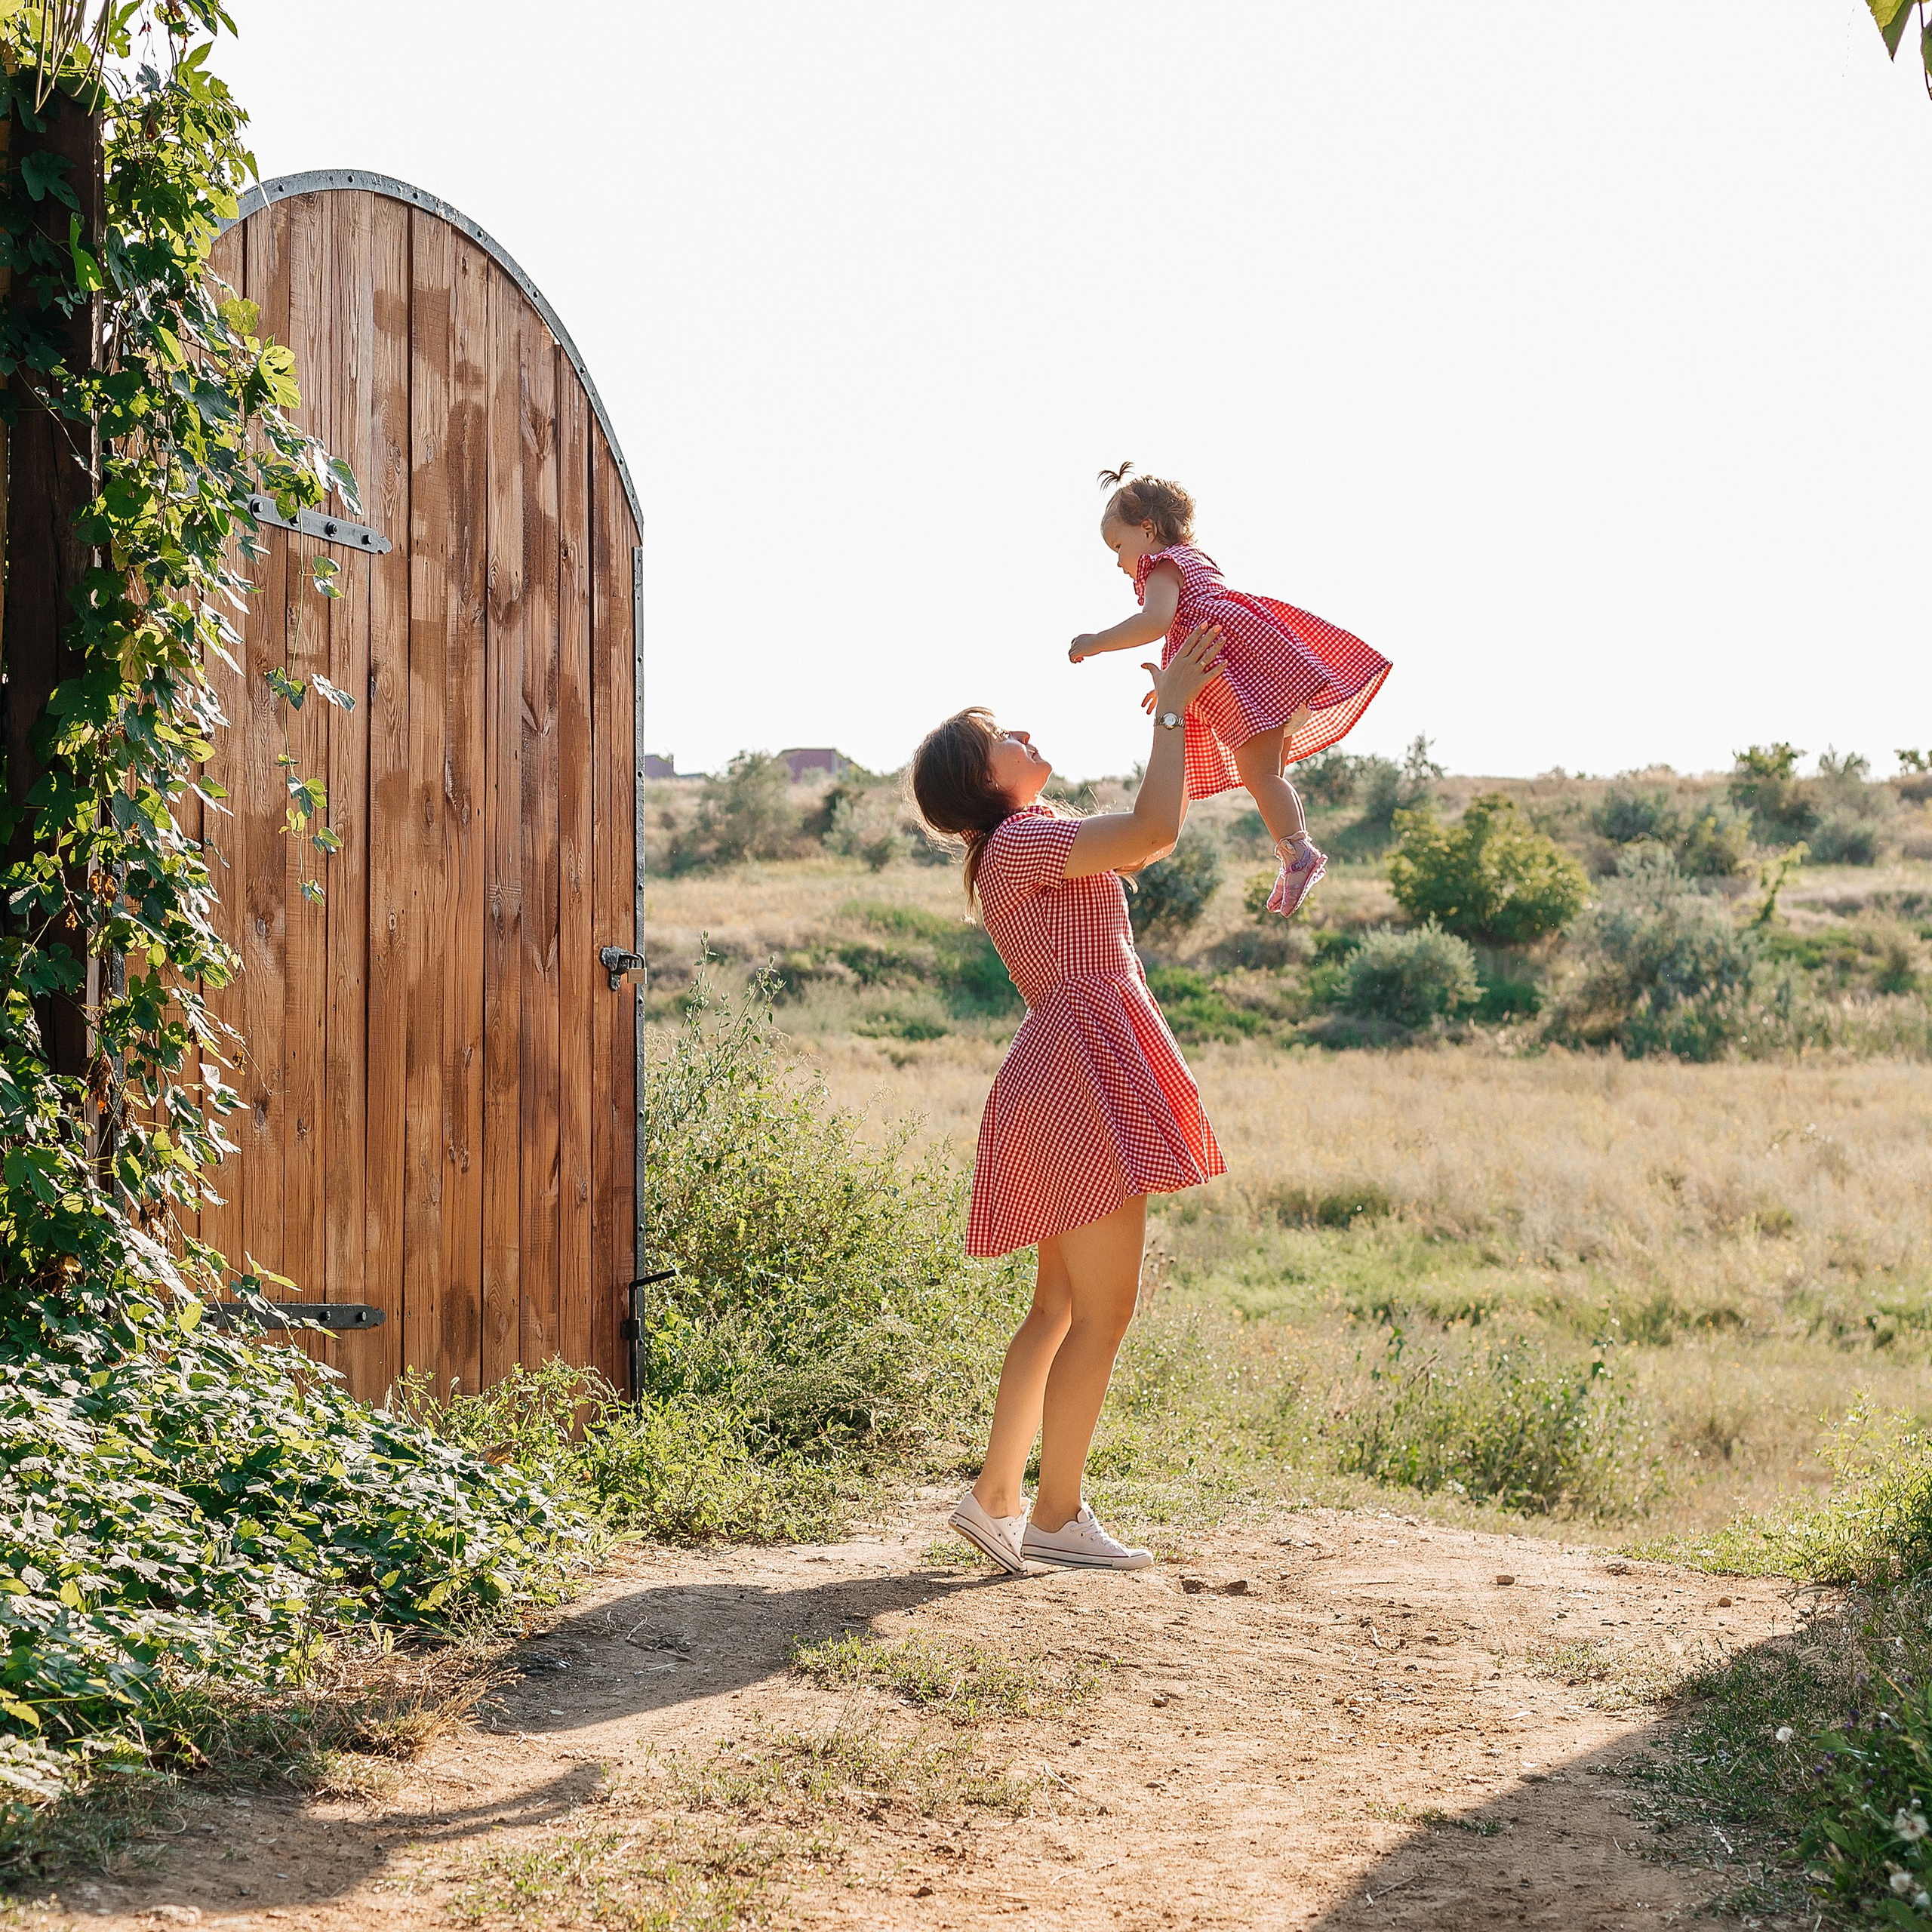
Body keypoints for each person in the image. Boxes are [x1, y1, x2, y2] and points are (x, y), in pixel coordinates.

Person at [908, 624, 1231, 1574]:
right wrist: (1171, 705)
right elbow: (1156, 832)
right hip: (1077, 1071)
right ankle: (1050, 1513)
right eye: (1002, 737)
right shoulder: (1020, 844)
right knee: (1102, 1311)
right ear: (985, 781)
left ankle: (998, 1499)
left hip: (1065, 1066)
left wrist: (1183, 710)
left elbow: (1144, 833)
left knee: (1057, 1307)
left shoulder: (1018, 845)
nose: (1024, 735)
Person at [1069, 463, 1392, 919]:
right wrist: (1169, 693)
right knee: (1269, 776)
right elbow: (1186, 641)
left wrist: (1096, 642)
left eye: (1118, 546)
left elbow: (1157, 622)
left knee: (1260, 777)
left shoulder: (1160, 565)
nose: (1118, 561)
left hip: (1240, 679)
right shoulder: (1198, 560)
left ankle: (1298, 854)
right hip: (1259, 670)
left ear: (1148, 530)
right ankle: (1290, 854)